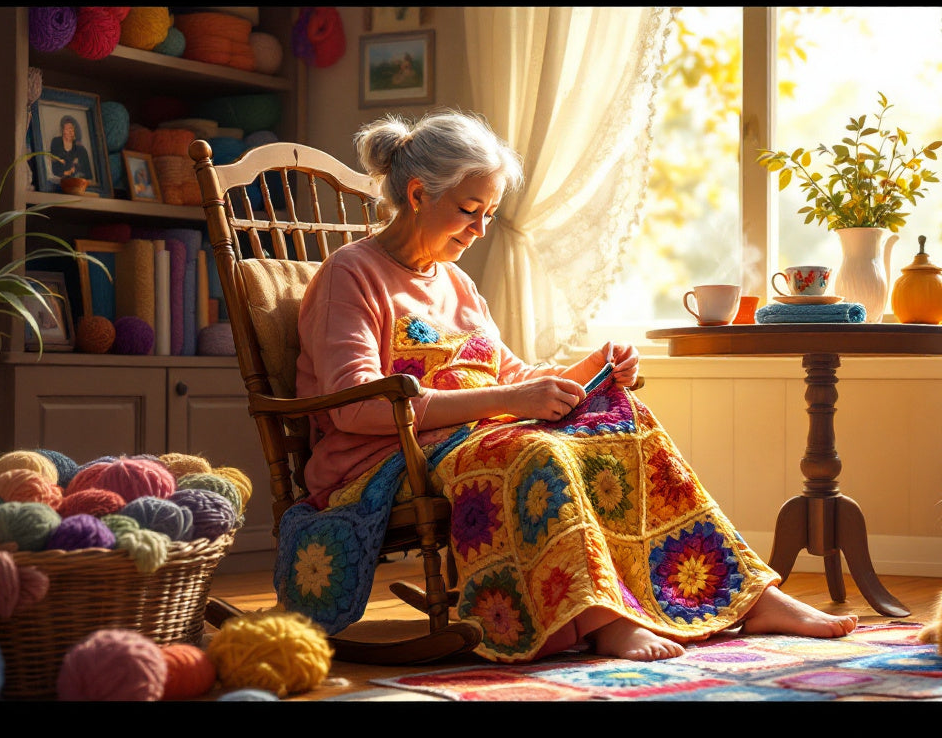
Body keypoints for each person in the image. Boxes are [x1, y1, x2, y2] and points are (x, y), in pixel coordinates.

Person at [294, 108, 858, 664]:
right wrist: (509, 401)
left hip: (471, 436)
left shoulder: (457, 280)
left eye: (489, 212)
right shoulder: (351, 274)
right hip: (385, 460)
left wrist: (592, 369)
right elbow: (360, 407)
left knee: (628, 423)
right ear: (418, 194)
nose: (482, 229)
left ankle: (750, 596)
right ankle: (602, 620)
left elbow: (506, 373)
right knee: (535, 450)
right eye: (470, 211)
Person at [48, 114, 93, 182]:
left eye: (72, 129)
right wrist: (65, 173)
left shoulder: (81, 150)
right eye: (67, 129)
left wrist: (76, 169)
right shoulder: (56, 143)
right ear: (62, 130)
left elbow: (87, 175)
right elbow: (54, 169)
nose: (70, 132)